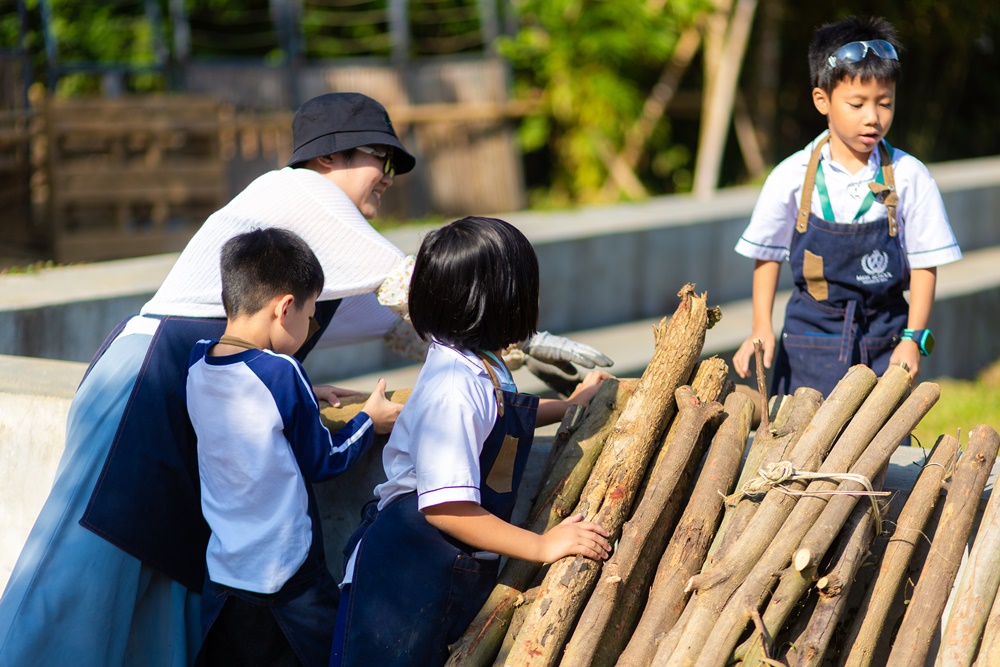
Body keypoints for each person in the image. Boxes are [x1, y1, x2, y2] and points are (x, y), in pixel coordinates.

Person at [0, 92, 611, 666]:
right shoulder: (299, 194)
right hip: (148, 381)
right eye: (381, 160)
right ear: (328, 158)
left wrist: (282, 387)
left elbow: (394, 320)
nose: (388, 181)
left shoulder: (325, 254)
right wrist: (530, 340)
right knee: (88, 569)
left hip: (188, 382)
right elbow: (421, 294)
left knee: (164, 573)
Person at [329, 217, 613, 667]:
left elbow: (502, 412)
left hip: (443, 564)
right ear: (496, 301)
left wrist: (570, 404)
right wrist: (543, 546)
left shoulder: (478, 363)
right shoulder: (453, 389)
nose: (533, 300)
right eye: (525, 288)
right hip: (408, 570)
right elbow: (446, 507)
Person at [187, 229, 397, 666]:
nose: (309, 327)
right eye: (311, 316)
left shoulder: (197, 362)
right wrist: (369, 420)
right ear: (285, 308)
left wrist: (306, 393)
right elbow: (326, 458)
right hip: (288, 575)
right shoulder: (283, 373)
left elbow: (247, 394)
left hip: (225, 572)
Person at [731, 16, 961, 398]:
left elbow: (924, 263)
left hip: (886, 340)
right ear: (822, 100)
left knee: (877, 449)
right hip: (809, 340)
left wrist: (913, 339)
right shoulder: (791, 176)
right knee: (799, 444)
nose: (873, 117)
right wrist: (760, 327)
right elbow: (766, 254)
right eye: (857, 103)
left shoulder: (909, 176)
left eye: (884, 103)